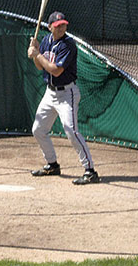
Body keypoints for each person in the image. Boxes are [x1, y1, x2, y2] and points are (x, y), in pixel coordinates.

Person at [27, 11, 99, 185]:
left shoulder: (68, 44)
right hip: (50, 93)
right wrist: (35, 52)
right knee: (38, 130)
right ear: (50, 27)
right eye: (58, 26)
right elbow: (40, 68)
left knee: (71, 130)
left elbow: (55, 70)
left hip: (67, 93)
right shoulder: (46, 40)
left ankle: (90, 171)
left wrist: (37, 55)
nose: (61, 28)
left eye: (63, 25)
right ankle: (52, 164)